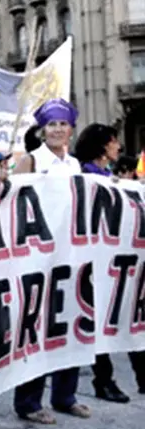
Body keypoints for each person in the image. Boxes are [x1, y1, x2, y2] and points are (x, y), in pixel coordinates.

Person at [11, 98, 90, 425]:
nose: (57, 130)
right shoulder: (30, 161)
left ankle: (65, 395)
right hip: (37, 257)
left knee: (69, 324)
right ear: (42, 130)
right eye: (52, 124)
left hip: (70, 256)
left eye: (63, 124)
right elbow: (14, 206)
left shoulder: (75, 165)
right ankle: (28, 401)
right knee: (37, 328)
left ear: (71, 129)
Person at [74, 123, 144, 401]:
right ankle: (103, 380)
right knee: (99, 319)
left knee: (132, 315)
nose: (118, 147)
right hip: (93, 262)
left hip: (117, 261)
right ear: (103, 146)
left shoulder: (109, 177)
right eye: (114, 142)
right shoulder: (83, 176)